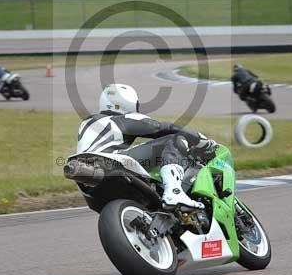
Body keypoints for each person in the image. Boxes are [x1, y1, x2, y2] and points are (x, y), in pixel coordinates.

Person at [76, 84, 216, 209]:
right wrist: (202, 140)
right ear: (128, 103)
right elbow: (163, 128)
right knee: (174, 140)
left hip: (87, 183)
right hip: (110, 164)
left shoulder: (87, 122)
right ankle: (174, 191)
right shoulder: (122, 119)